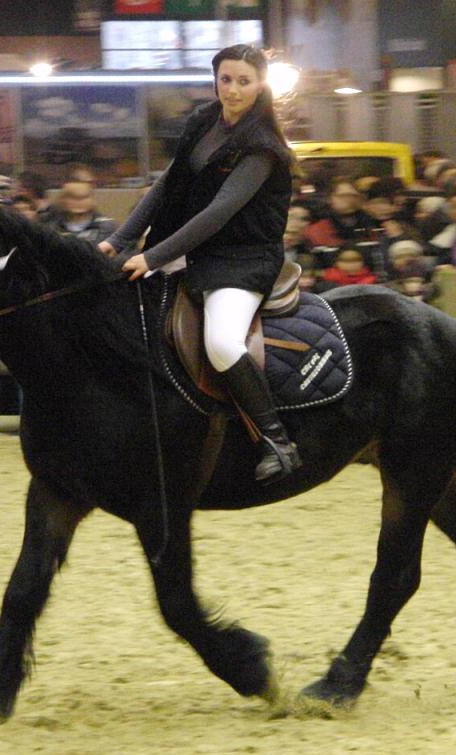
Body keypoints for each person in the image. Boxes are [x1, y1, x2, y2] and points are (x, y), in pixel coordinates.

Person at [98, 44, 299, 483]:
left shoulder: (261, 147)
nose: (232, 89)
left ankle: (276, 441)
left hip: (242, 260)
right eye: (225, 79)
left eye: (243, 81)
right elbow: (168, 185)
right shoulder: (204, 121)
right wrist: (120, 240)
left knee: (223, 343)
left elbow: (218, 213)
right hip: (195, 251)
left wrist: (153, 257)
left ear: (260, 84)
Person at [52, 181, 117, 247]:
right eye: (73, 198)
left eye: (83, 197)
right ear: (63, 201)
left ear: (92, 200)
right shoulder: (52, 228)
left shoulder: (106, 227)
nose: (78, 202)